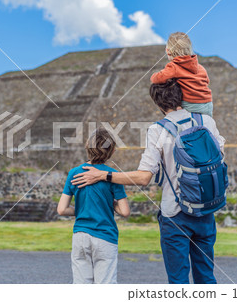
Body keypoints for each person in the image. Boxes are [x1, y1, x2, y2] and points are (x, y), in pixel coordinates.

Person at [71, 79, 225, 284]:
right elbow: (220, 158)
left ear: (158, 103)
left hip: (175, 213)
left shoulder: (158, 130)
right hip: (206, 209)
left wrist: (104, 175)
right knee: (206, 277)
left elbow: (144, 177)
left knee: (179, 281)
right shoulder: (206, 121)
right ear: (182, 95)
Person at [57, 127, 130, 284]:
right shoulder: (113, 176)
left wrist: (84, 210)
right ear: (111, 151)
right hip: (105, 237)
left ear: (87, 147)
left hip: (80, 236)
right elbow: (124, 211)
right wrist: (106, 204)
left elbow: (62, 209)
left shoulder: (74, 173)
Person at [151, 32, 213, 117]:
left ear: (168, 51)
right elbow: (207, 81)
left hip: (190, 106)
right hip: (208, 105)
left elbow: (157, 78)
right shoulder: (200, 68)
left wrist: (155, 76)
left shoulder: (174, 67)